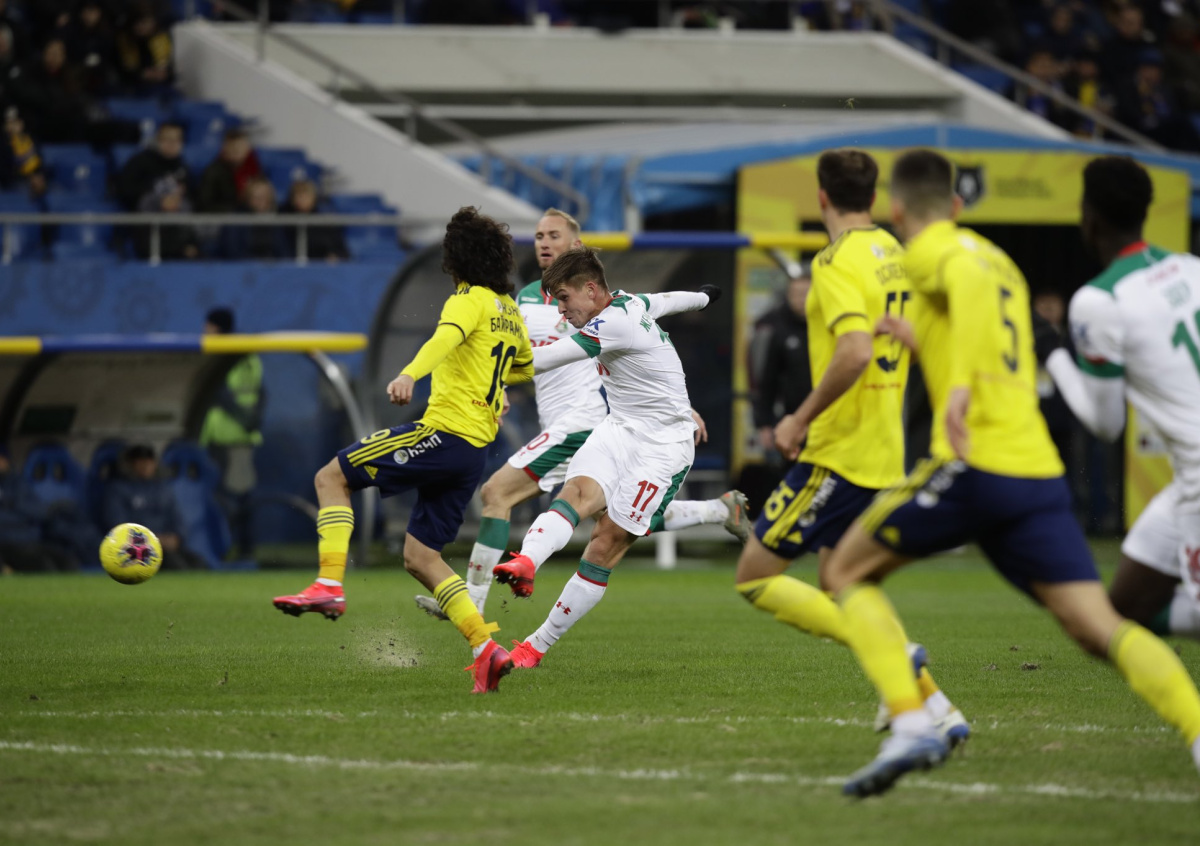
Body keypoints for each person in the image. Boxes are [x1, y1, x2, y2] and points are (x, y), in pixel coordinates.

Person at [819, 149, 1200, 798]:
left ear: (898, 212)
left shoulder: (937, 252)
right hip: (1035, 473)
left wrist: (959, 386)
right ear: (958, 204)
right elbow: (993, 335)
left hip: (974, 462)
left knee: (844, 573)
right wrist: (926, 344)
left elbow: (965, 291)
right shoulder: (1002, 262)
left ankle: (910, 723)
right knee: (1100, 627)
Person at [733, 148, 965, 745]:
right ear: (876, 197)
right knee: (844, 584)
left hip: (839, 450)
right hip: (885, 447)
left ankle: (895, 652)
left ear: (821, 198)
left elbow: (856, 351)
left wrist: (797, 419)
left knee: (755, 577)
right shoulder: (895, 252)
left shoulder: (836, 260)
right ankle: (938, 708)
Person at [415, 208, 749, 621]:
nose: (544, 243)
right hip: (569, 423)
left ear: (576, 246)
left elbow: (647, 325)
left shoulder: (601, 308)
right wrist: (497, 388)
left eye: (554, 235)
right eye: (539, 236)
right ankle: (719, 510)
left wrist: (702, 306)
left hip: (581, 424)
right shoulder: (523, 301)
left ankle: (472, 603)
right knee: (617, 515)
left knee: (497, 493)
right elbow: (511, 352)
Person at [272, 207, 535, 695]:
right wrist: (494, 386)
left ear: (455, 259)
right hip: (472, 452)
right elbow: (524, 366)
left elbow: (446, 337)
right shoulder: (508, 310)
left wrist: (410, 374)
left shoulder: (467, 299)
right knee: (421, 557)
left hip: (443, 434)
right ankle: (485, 649)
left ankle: (328, 584)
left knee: (331, 478)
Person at [490, 247, 719, 669]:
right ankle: (526, 561)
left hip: (663, 447)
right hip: (619, 429)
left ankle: (536, 646)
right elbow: (670, 300)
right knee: (576, 494)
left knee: (606, 540)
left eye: (564, 298)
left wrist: (488, 368)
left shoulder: (612, 323)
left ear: (591, 289)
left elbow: (548, 358)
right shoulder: (633, 302)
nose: (561, 310)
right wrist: (705, 296)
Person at [1045, 156, 1200, 642]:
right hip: (1187, 479)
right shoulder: (1191, 268)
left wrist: (1052, 355)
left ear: (1088, 217)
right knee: (1123, 612)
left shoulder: (1099, 300)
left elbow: (1106, 423)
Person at [200, 307, 263, 558]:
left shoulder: (226, 354)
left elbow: (220, 392)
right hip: (230, 437)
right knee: (232, 497)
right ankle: (230, 549)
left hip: (231, 438)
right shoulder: (249, 356)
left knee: (234, 498)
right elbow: (260, 393)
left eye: (209, 326)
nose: (206, 331)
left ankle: (238, 550)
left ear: (216, 327)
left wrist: (246, 419)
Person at [102, 444, 205, 570]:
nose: (146, 466)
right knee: (175, 565)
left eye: (149, 462)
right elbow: (118, 526)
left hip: (166, 547)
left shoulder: (162, 489)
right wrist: (152, 540)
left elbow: (177, 519)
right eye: (140, 462)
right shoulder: (118, 490)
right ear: (130, 465)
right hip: (137, 550)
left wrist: (177, 538)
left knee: (199, 563)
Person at [750, 272, 812, 462]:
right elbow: (765, 379)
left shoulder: (827, 323)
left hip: (825, 418)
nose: (801, 300)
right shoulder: (775, 327)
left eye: (806, 294)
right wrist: (764, 423)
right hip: (789, 417)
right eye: (796, 294)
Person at [115, 122, 188, 211]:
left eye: (176, 140)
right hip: (144, 215)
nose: (172, 144)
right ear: (158, 140)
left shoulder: (183, 167)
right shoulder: (140, 162)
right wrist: (160, 200)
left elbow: (191, 196)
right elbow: (125, 190)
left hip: (176, 215)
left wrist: (176, 200)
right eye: (167, 139)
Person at [217, 177, 288, 260]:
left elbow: (284, 252)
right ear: (248, 198)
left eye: (265, 196)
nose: (262, 200)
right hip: (243, 265)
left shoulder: (278, 221)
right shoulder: (236, 221)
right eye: (257, 197)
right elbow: (233, 253)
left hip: (272, 265)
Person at [280, 178, 348, 262]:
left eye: (306, 195)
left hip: (321, 267)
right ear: (292, 199)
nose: (302, 199)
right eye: (299, 195)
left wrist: (335, 256)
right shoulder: (283, 221)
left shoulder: (324, 223)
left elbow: (343, 253)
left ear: (314, 198)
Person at [197, 128, 262, 215]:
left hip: (251, 218)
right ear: (225, 148)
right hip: (224, 219)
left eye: (241, 146)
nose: (237, 151)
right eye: (233, 147)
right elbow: (204, 204)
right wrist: (235, 211)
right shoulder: (213, 172)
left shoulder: (255, 168)